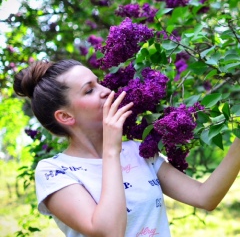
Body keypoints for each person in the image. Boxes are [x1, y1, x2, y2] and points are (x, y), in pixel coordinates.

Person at [13, 59, 240, 237]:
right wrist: (111, 150)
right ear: (65, 116)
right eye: (89, 90)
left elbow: (205, 197)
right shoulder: (55, 172)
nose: (105, 90)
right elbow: (110, 232)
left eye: (98, 81)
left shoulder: (138, 151)